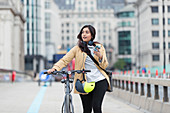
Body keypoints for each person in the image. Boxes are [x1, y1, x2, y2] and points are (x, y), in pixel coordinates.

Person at [47, 25, 111, 113]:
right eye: (82, 32)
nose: (84, 34)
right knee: (86, 109)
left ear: (92, 35)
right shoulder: (77, 49)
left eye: (87, 32)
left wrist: (100, 56)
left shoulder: (99, 47)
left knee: (97, 107)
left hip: (100, 80)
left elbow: (104, 65)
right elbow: (65, 60)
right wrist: (54, 68)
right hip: (83, 81)